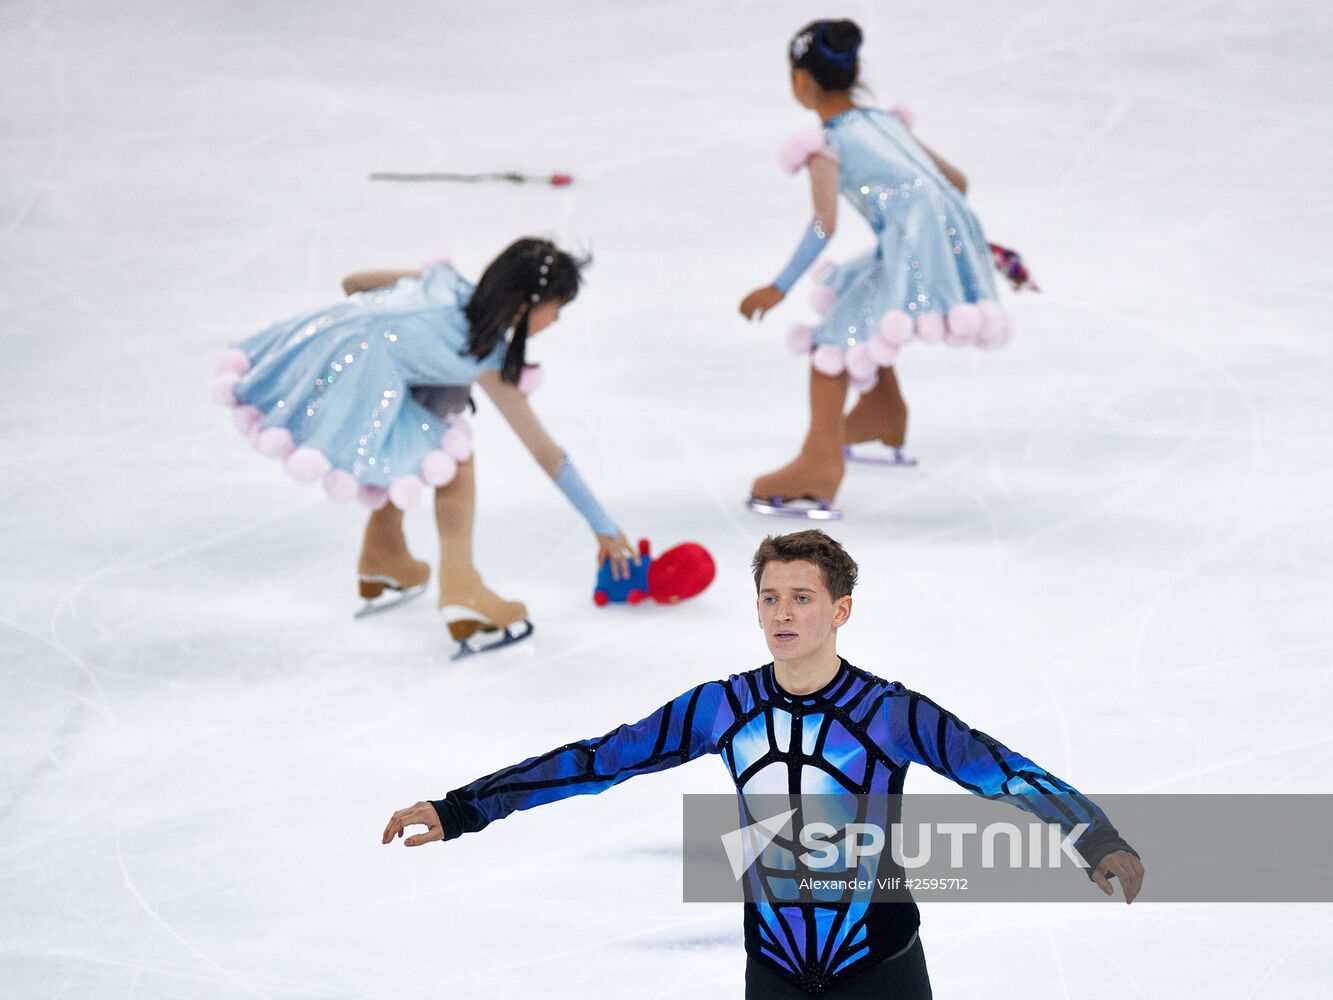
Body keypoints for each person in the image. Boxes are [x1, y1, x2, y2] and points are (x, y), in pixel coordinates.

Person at [383, 530, 1144, 997]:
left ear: (839, 610)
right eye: (769, 597)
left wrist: (1094, 836)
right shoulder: (723, 708)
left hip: (880, 965)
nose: (782, 613)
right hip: (774, 971)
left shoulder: (891, 714)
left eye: (802, 598)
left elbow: (1004, 773)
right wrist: (460, 809)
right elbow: (596, 759)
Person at [213, 237, 637, 655]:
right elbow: (545, 451)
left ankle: (384, 556)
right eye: (557, 309)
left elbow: (353, 282)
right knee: (453, 458)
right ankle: (462, 589)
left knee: (418, 431)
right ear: (525, 305)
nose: (558, 320)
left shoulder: (443, 286)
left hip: (316, 350)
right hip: (348, 384)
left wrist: (403, 339)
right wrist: (604, 528)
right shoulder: (483, 355)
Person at [739, 20, 1014, 518]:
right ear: (855, 69)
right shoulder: (886, 122)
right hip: (945, 240)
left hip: (915, 248)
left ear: (800, 81)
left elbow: (824, 226)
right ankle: (884, 412)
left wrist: (776, 288)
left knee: (829, 339)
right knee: (858, 301)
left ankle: (818, 467)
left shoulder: (827, 143)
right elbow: (957, 181)